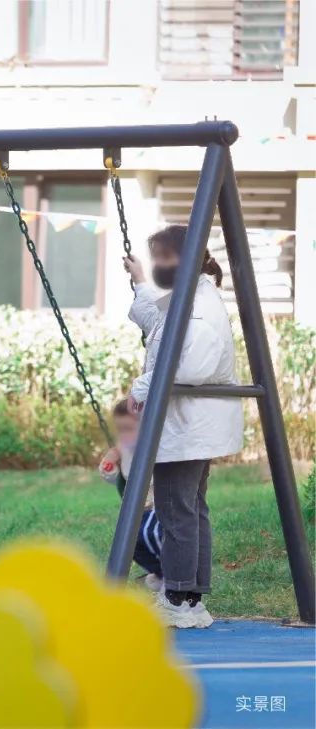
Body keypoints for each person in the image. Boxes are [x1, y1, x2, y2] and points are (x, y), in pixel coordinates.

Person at [123, 224, 242, 629]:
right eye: (154, 257)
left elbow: (185, 366)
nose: (157, 265)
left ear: (187, 257)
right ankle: (190, 597)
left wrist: (137, 390)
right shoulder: (189, 297)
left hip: (185, 426)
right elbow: (155, 321)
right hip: (191, 424)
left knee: (176, 511)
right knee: (191, 511)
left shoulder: (197, 309)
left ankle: (177, 598)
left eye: (163, 257)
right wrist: (140, 281)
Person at [98, 399, 162, 591]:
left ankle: (172, 575)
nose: (125, 434)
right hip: (138, 509)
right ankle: (160, 574)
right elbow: (116, 479)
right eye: (121, 429)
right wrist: (109, 465)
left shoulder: (157, 447)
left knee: (152, 535)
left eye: (129, 428)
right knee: (130, 543)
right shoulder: (123, 449)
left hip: (158, 507)